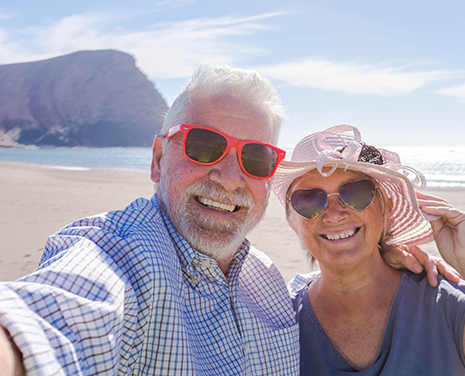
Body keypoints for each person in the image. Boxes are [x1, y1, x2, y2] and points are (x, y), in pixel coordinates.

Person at [0, 67, 454, 376]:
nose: (229, 177)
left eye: (256, 158)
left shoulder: (271, 290)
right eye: (203, 146)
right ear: (159, 157)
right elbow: (51, 317)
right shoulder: (121, 256)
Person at [272, 124, 465, 375]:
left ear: (385, 209)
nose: (334, 215)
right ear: (292, 220)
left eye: (355, 193)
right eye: (309, 199)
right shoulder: (279, 324)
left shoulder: (448, 305)